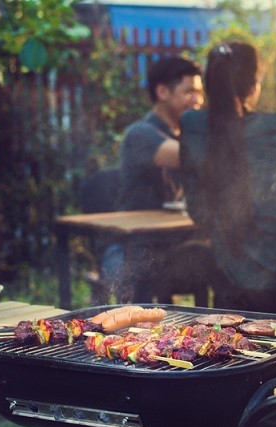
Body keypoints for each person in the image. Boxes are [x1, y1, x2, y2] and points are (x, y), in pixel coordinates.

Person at [179, 42, 276, 313]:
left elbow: (198, 210)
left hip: (227, 272)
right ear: (253, 85)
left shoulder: (192, 125)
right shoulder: (271, 128)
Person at [105, 56, 204, 303]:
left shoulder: (186, 135)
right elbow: (187, 157)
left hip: (171, 245)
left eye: (200, 93)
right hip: (131, 248)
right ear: (162, 91)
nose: (197, 100)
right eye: (189, 92)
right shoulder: (141, 133)